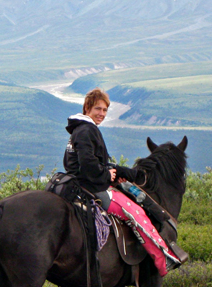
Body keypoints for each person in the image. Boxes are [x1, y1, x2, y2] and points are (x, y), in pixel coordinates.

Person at [63, 87, 181, 277]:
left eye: (104, 110)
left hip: (83, 183)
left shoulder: (79, 129)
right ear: (87, 108)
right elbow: (88, 165)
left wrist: (123, 173)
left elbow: (84, 162)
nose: (101, 114)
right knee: (136, 213)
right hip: (92, 187)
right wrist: (105, 176)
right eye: (98, 109)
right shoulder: (87, 130)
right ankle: (162, 259)